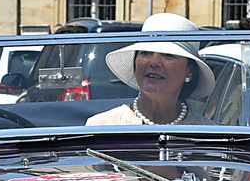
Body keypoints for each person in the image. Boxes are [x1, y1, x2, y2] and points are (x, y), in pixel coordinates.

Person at [86, 13, 219, 128]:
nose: (154, 62)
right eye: (146, 53)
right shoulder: (100, 125)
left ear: (189, 72)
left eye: (168, 55)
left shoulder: (207, 134)